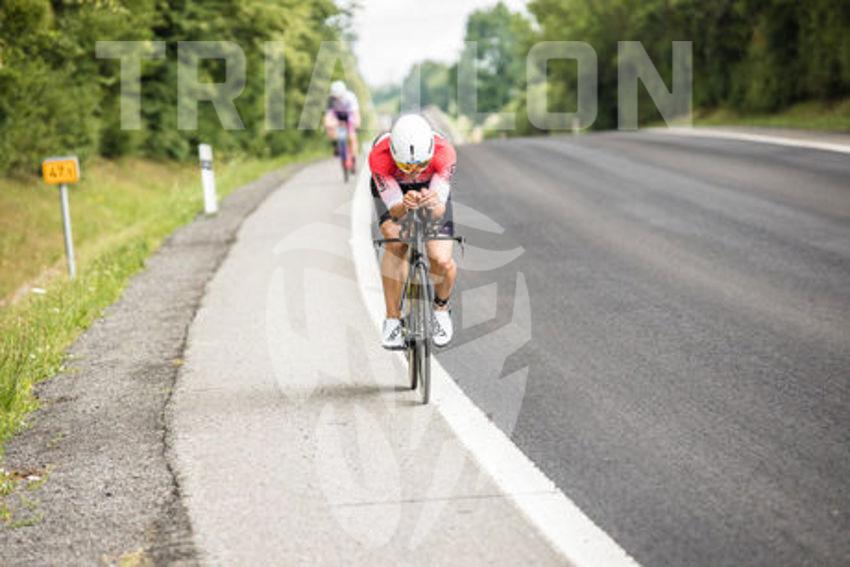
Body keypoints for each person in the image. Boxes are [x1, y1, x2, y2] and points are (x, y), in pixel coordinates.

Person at [369, 114, 457, 350]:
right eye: (407, 166)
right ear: (393, 153)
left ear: (430, 152)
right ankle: (392, 320)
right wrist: (404, 205)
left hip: (432, 188)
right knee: (396, 241)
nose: (414, 172)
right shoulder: (379, 157)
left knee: (441, 259)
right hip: (394, 189)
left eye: (420, 165)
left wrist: (431, 202)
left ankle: (441, 309)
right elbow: (394, 210)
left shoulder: (444, 153)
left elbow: (438, 211)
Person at [324, 80, 361, 162]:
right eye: (335, 96)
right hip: (337, 115)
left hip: (349, 115)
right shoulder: (331, 99)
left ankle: (354, 156)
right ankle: (336, 145)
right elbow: (328, 115)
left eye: (339, 96)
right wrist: (329, 124)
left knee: (352, 136)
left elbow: (356, 113)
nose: (337, 98)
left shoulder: (350, 97)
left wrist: (357, 122)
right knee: (328, 126)